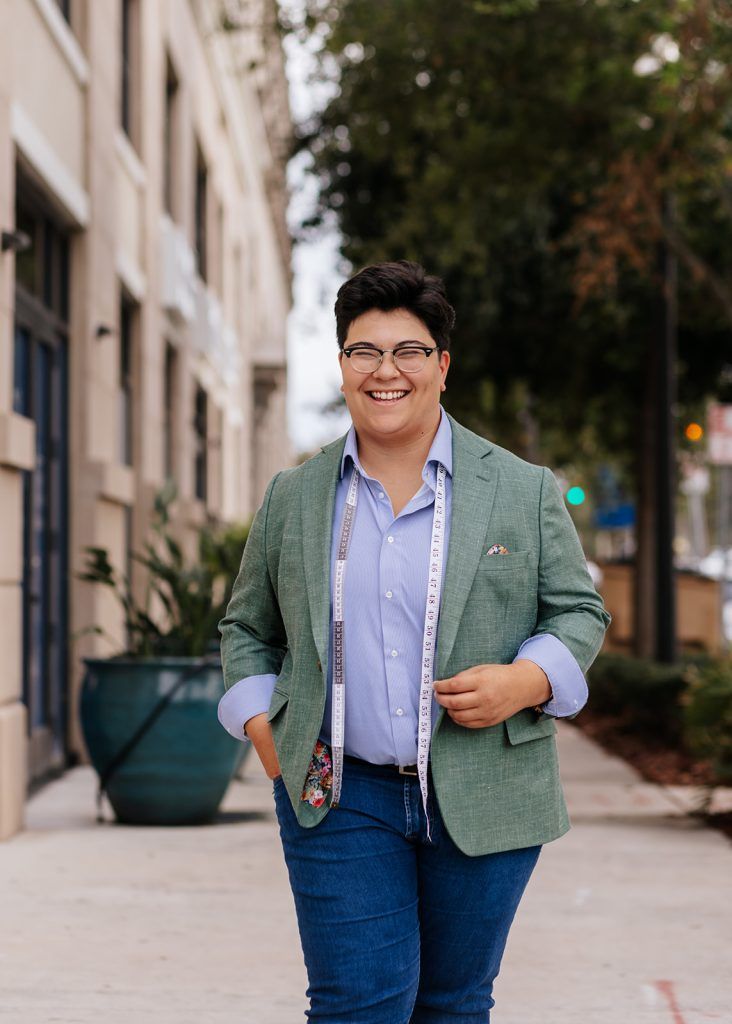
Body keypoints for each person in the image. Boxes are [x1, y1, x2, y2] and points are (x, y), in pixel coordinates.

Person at [218, 260, 611, 1023]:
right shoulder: (294, 496)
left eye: (409, 351)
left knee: (455, 1004)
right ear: (341, 368)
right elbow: (247, 626)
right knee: (358, 1003)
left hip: (484, 787)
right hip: (339, 792)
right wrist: (262, 727)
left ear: (442, 366)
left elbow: (577, 611)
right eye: (364, 351)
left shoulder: (522, 490)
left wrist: (526, 682)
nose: (385, 370)